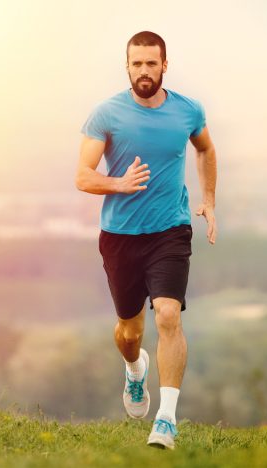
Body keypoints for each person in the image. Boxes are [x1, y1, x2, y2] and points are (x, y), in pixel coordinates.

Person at [75, 31, 217, 450]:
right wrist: (118, 184)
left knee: (169, 316)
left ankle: (167, 420)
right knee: (129, 330)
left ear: (164, 65)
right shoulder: (107, 114)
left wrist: (208, 197)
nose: (143, 71)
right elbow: (82, 176)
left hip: (170, 231)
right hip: (120, 237)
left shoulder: (188, 110)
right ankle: (135, 369)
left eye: (151, 63)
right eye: (136, 64)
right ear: (127, 66)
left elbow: (205, 150)